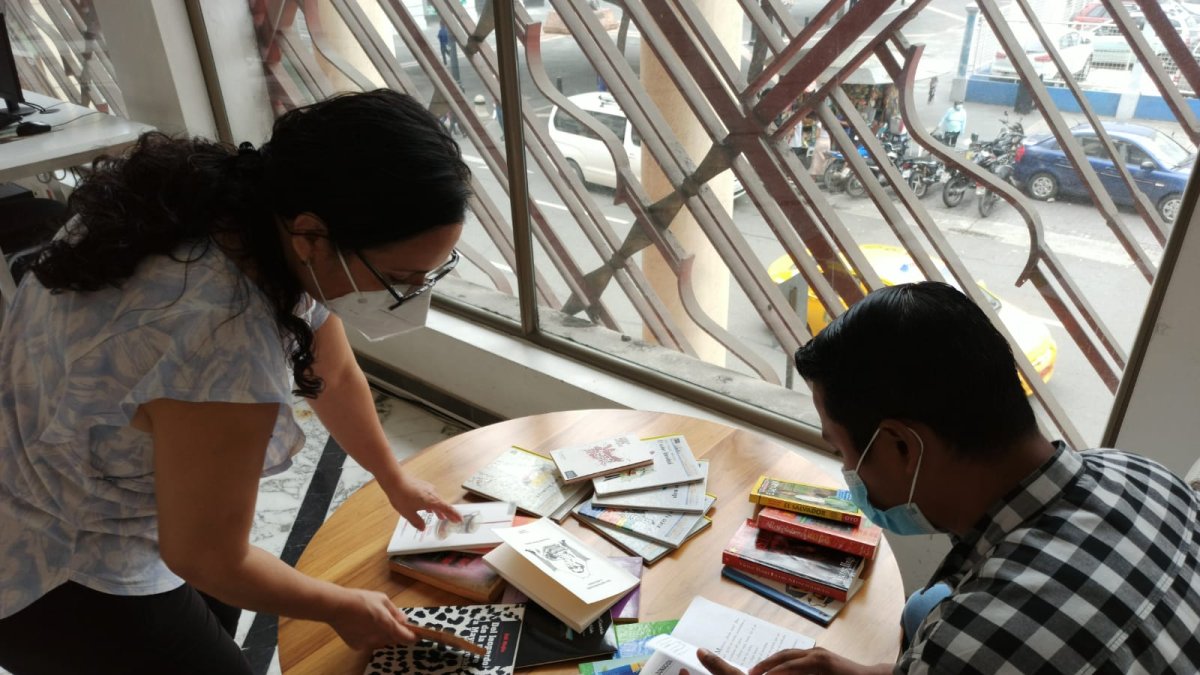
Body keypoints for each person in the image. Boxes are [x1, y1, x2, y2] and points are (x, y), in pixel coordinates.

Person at [0, 89, 472, 674]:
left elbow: (331, 367)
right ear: (311, 235)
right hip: (49, 566)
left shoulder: (226, 206)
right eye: (400, 277)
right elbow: (209, 557)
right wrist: (341, 606)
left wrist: (392, 476)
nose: (411, 297)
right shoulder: (220, 340)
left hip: (59, 468)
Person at [691, 281, 1200, 674]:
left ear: (901, 447)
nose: (849, 472)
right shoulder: (1146, 475)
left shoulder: (971, 645)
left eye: (842, 451)